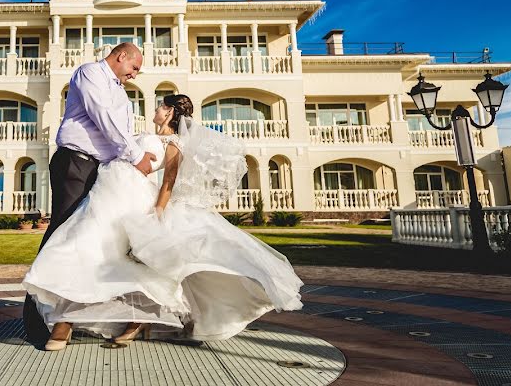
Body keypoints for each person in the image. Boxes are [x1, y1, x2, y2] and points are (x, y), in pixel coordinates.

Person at [23, 94, 304, 350]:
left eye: (160, 106)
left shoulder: (173, 144)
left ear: (169, 112)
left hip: (128, 197)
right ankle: (67, 319)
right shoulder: (145, 135)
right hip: (105, 194)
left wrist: (157, 213)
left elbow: (168, 182)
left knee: (108, 255)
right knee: (82, 247)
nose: (156, 109)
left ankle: (107, 321)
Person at [21, 42, 157, 345]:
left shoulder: (121, 92)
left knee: (90, 236)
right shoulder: (90, 73)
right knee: (62, 233)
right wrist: (136, 157)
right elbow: (103, 117)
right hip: (76, 163)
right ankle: (39, 316)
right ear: (122, 56)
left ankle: (76, 311)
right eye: (134, 67)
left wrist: (134, 158)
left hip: (102, 169)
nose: (135, 75)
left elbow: (119, 131)